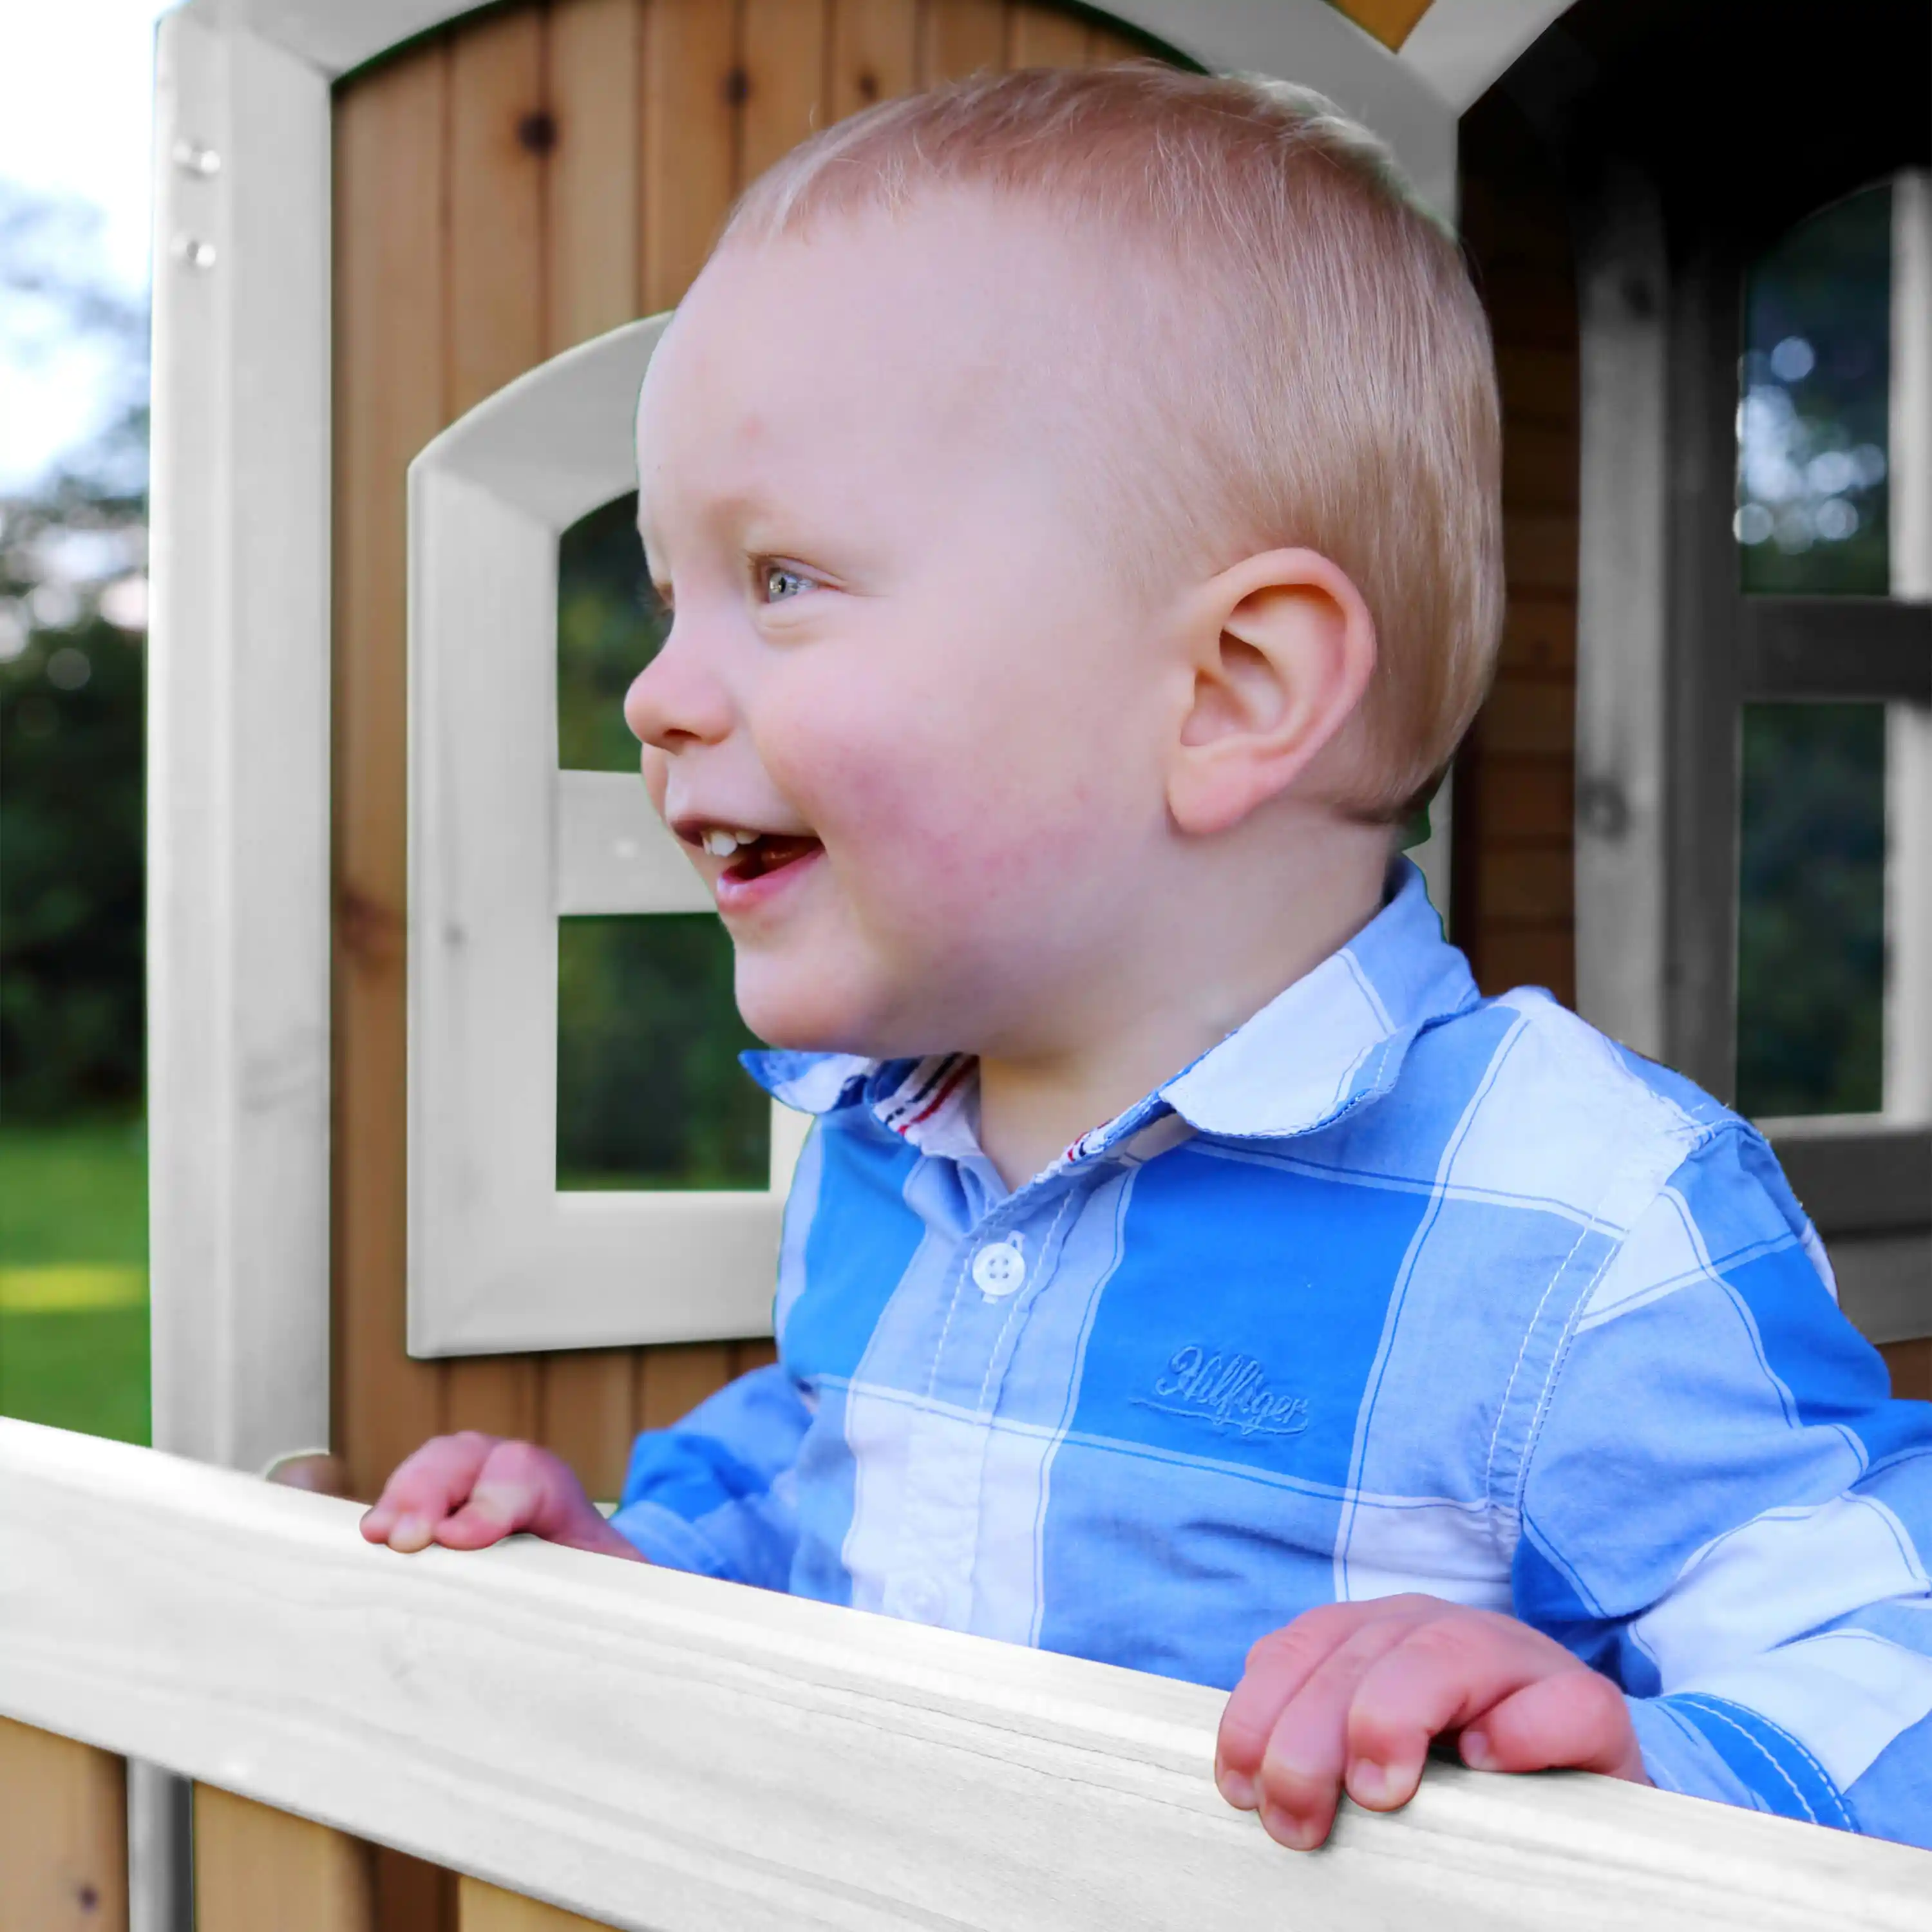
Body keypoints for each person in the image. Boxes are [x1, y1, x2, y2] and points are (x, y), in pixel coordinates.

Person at [360, 65, 1932, 1852]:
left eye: (783, 579)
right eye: (666, 598)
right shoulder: (877, 1147)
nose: (655, 695)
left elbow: (1889, 1658)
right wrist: (636, 1563)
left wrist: (1643, 1765)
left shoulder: (1583, 1222)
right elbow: (831, 1479)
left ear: (1231, 692)